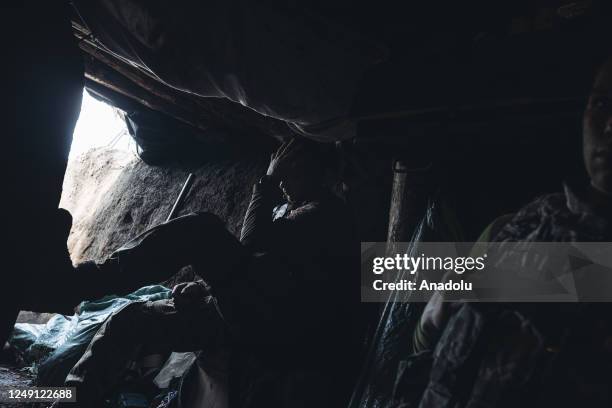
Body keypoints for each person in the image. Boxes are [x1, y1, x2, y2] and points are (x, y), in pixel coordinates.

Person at [60, 139, 360, 407]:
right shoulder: (285, 211)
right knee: (128, 320)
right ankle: (66, 401)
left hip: (272, 327)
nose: (283, 182)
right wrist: (201, 287)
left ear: (316, 173)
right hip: (236, 316)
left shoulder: (325, 214)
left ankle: (89, 282)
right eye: (280, 174)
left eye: (289, 172)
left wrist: (267, 181)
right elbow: (252, 268)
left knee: (201, 230)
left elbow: (251, 248)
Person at [407, 57, 612, 406]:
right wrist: (431, 324)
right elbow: (429, 336)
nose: (609, 126)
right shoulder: (518, 225)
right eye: (601, 103)